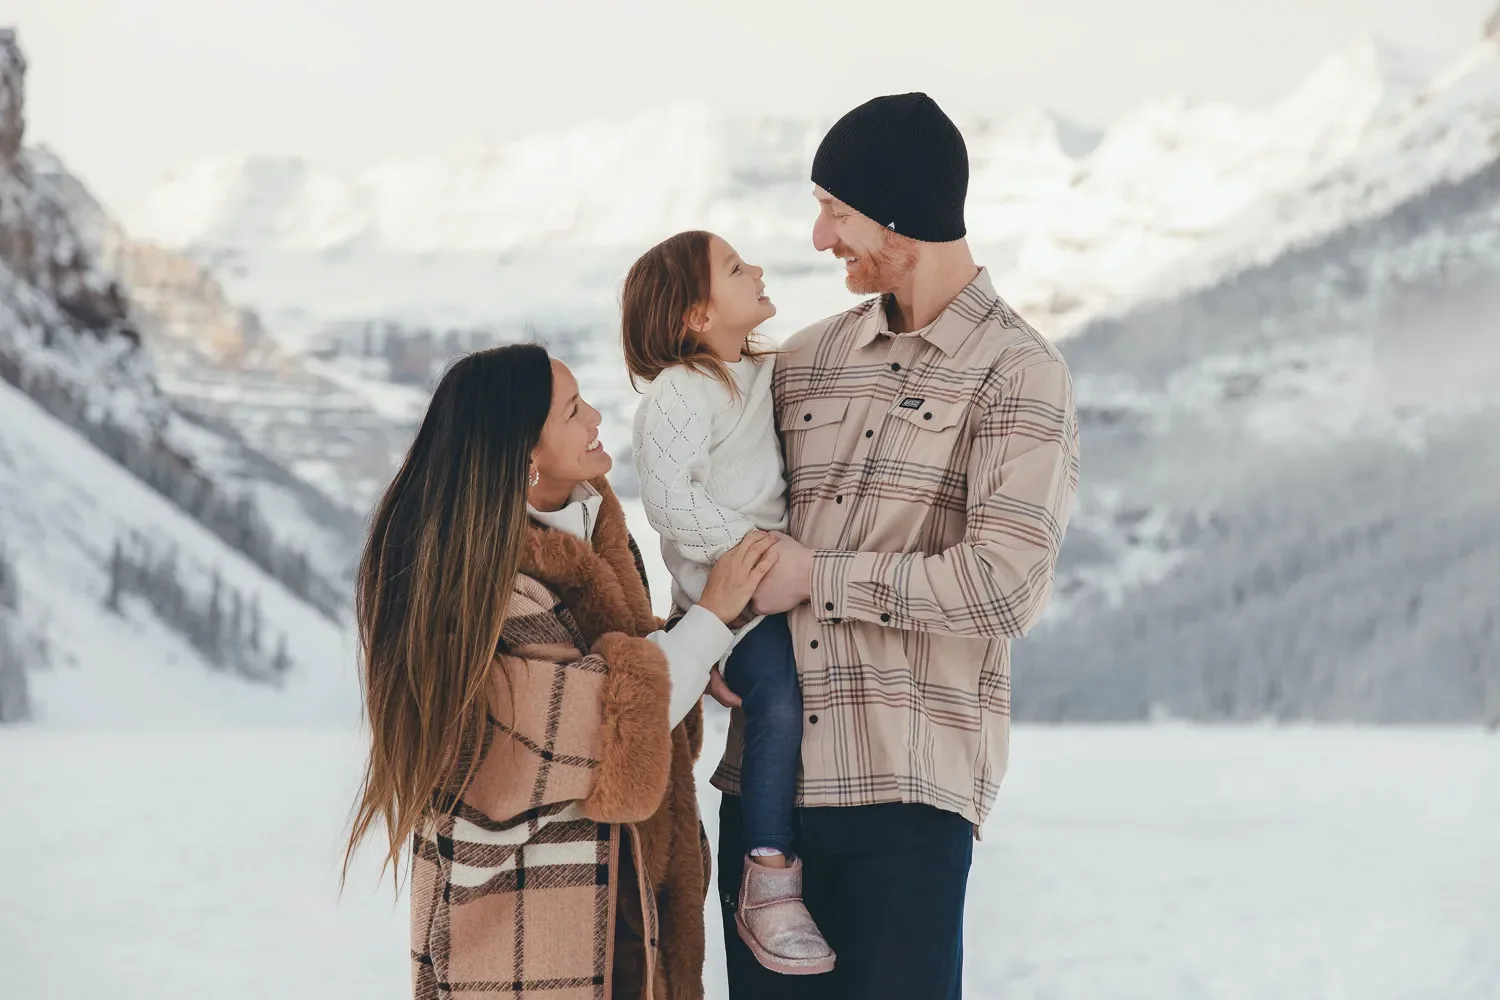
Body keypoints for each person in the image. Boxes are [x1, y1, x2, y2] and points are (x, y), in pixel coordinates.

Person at [710, 93, 1082, 1000]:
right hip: (764, 798)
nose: (818, 238)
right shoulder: (801, 361)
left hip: (905, 796)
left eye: (836, 211)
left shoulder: (1019, 373)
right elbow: (722, 509)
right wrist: (709, 629)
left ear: (898, 217)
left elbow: (1004, 587)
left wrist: (819, 578)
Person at [343, 343, 780, 1000]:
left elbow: (633, 677)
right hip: (525, 950)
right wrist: (712, 614)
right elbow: (606, 727)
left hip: (626, 925)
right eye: (574, 410)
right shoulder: (480, 597)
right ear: (526, 458)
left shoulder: (594, 530)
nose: (597, 416)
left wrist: (692, 653)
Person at [622, 231, 836, 976]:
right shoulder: (682, 389)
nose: (759, 271)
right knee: (775, 703)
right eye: (737, 269)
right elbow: (672, 504)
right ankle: (766, 880)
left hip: (765, 577)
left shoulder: (761, 370)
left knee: (791, 699)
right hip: (733, 586)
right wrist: (757, 556)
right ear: (694, 315)